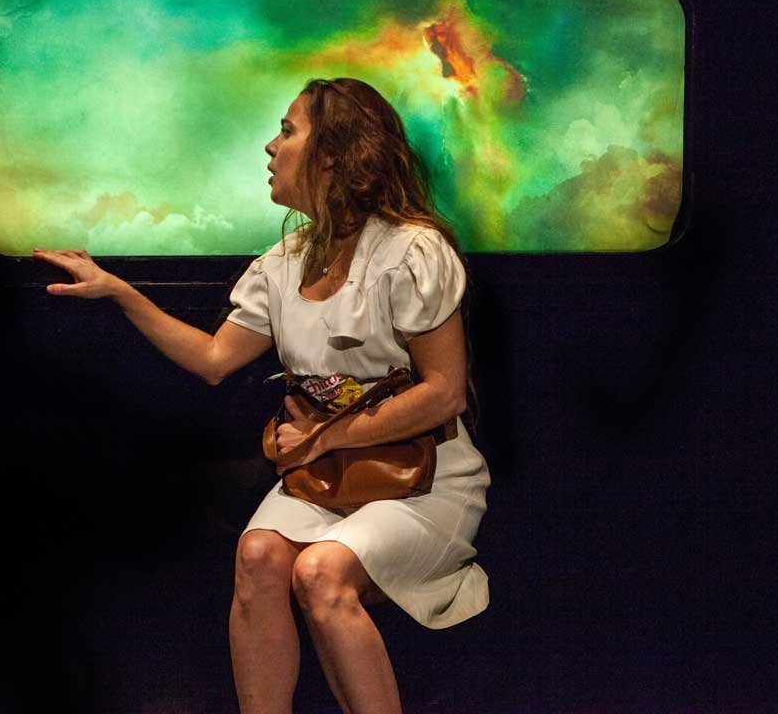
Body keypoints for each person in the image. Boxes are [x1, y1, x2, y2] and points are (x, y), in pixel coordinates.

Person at [34, 78, 491, 714]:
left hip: (425, 477)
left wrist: (325, 436)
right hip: (326, 476)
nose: (271, 147)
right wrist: (120, 292)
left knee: (320, 573)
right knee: (257, 555)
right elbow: (215, 359)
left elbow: (444, 394)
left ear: (332, 154)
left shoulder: (410, 251)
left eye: (287, 131)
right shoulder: (285, 261)